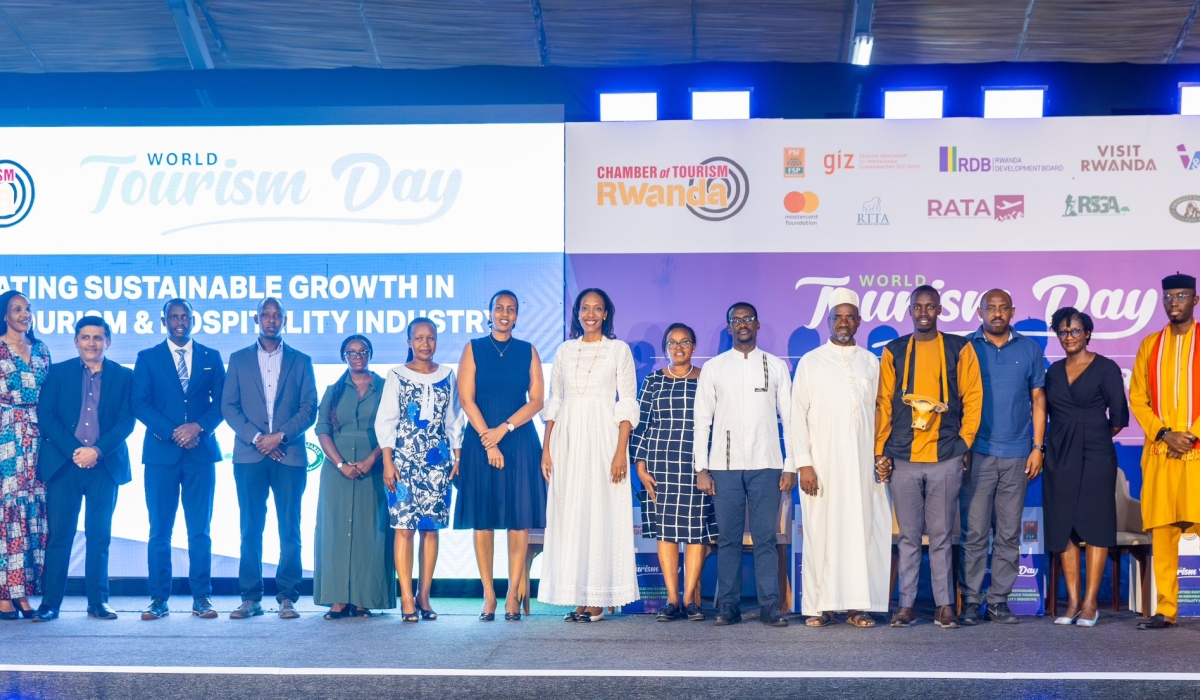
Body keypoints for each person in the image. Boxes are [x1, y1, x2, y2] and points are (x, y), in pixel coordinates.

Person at [875, 285, 982, 630]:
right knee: (907, 536)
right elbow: (883, 404)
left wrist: (964, 443)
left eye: (930, 307)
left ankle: (944, 606)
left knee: (940, 536)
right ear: (910, 310)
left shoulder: (958, 347)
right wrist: (880, 451)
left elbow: (973, 397)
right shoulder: (894, 350)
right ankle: (905, 606)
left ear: (939, 310)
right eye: (918, 307)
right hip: (903, 456)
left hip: (946, 456)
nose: (924, 312)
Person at [790, 289, 889, 628]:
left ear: (858, 321)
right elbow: (796, 416)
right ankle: (820, 605)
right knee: (821, 532)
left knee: (861, 533)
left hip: (862, 466)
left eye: (850, 317)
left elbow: (879, 412)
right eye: (838, 317)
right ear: (828, 321)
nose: (844, 323)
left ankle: (857, 606)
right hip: (821, 465)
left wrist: (880, 455)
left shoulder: (870, 362)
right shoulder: (811, 361)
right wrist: (804, 463)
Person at [539, 288, 640, 622]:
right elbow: (554, 401)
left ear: (607, 313)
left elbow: (626, 402)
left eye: (598, 309)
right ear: (577, 313)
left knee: (601, 512)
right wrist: (547, 450)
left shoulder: (618, 350)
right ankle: (578, 596)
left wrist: (620, 452)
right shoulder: (565, 350)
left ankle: (598, 597)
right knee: (572, 513)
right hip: (567, 438)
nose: (591, 314)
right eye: (585, 308)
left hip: (603, 436)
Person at [694, 302, 796, 628]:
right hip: (723, 466)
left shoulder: (776, 366)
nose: (742, 324)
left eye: (748, 319)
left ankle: (770, 606)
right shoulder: (714, 367)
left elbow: (790, 419)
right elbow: (701, 421)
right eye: (736, 320)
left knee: (766, 538)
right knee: (728, 540)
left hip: (767, 464)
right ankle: (729, 606)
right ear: (728, 328)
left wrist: (791, 464)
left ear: (758, 324)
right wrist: (701, 468)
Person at [221, 297, 318, 620]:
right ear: (256, 319)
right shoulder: (238, 359)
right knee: (251, 527)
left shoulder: (301, 361)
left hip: (289, 455)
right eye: (266, 315)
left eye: (277, 315)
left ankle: (288, 597)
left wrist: (281, 436)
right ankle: (251, 598)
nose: (271, 320)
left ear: (285, 320)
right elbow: (229, 407)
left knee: (289, 527)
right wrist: (259, 439)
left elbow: (309, 408)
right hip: (249, 455)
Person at [33, 316, 135, 622]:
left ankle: (98, 602)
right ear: (76, 341)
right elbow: (47, 416)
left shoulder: (124, 376)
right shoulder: (59, 372)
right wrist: (76, 452)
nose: (92, 343)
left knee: (99, 536)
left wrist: (97, 451)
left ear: (108, 342)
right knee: (60, 536)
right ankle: (51, 604)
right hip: (65, 465)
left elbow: (127, 422)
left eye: (98, 338)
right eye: (86, 337)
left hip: (105, 466)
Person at [131, 299, 227, 621]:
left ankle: (202, 598)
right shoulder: (147, 358)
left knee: (200, 530)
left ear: (193, 319)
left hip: (201, 452)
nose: (180, 321)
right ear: (164, 320)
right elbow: (140, 404)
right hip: (161, 455)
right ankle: (158, 599)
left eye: (185, 316)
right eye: (174, 316)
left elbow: (223, 403)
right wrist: (175, 432)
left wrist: (198, 427)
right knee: (160, 530)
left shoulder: (211, 357)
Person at [454, 290, 545, 622]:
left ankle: (512, 594)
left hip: (519, 437)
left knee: (519, 519)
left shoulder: (528, 351)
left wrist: (503, 431)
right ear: (489, 313)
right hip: (481, 438)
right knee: (484, 518)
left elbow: (536, 400)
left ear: (517, 316)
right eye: (499, 309)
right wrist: (488, 441)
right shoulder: (473, 348)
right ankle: (489, 594)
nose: (505, 314)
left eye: (511, 310)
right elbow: (466, 399)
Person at [958, 290, 1047, 626]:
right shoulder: (965, 347)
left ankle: (998, 602)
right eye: (989, 308)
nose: (996, 313)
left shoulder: (1030, 349)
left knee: (1009, 534)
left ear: (1012, 311)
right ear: (979, 311)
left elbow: (1039, 401)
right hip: (977, 453)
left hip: (1017, 455)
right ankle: (970, 601)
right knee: (975, 532)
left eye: (1002, 308)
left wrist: (1038, 447)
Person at [1043, 307, 1128, 627]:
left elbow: (1119, 419)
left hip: (1096, 454)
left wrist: (1091, 436)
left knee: (1095, 526)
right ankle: (1073, 603)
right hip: (1058, 454)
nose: (1069, 337)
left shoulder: (1106, 368)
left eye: (1075, 331)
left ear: (1088, 333)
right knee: (1062, 525)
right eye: (1063, 332)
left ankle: (1092, 604)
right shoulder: (1052, 372)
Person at [377, 318, 463, 623]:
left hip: (437, 464)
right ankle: (406, 598)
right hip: (403, 463)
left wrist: (457, 456)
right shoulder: (396, 376)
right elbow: (386, 419)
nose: (425, 344)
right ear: (409, 341)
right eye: (419, 338)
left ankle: (424, 596)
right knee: (404, 529)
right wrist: (388, 460)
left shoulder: (448, 375)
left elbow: (453, 419)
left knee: (430, 529)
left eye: (431, 338)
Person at [1129, 273, 1200, 630]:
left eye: (1182, 296)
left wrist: (1192, 435)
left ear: (1195, 300)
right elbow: (1137, 398)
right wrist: (1164, 433)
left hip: (1197, 454)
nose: (1175, 303)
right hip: (1161, 452)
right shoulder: (1149, 345)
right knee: (1163, 531)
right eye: (1169, 298)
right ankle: (1166, 609)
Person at [631, 322, 714, 623]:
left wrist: (708, 466)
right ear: (665, 348)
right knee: (665, 534)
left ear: (694, 346)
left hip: (696, 466)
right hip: (660, 465)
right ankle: (672, 599)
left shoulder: (707, 380)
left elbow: (714, 425)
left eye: (685, 342)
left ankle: (690, 599)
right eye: (672, 343)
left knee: (694, 534)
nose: (678, 348)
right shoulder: (653, 381)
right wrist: (640, 466)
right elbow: (642, 425)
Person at [313, 334, 394, 619]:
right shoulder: (333, 390)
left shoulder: (386, 388)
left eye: (363, 351)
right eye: (351, 352)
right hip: (337, 470)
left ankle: (364, 598)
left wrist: (373, 459)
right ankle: (337, 599)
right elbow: (322, 429)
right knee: (335, 531)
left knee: (369, 531)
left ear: (370, 354)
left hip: (375, 466)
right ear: (343, 356)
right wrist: (340, 464)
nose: (358, 356)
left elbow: (391, 427)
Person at [0, 291, 50, 620]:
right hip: (6, 439)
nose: (25, 314)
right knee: (9, 518)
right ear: (4, 315)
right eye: (17, 309)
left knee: (33, 517)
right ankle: (7, 595)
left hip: (40, 439)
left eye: (28, 309)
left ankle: (23, 591)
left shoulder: (42, 349)